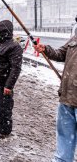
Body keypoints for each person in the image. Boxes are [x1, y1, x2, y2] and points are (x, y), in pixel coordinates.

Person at [34, 34, 77, 162]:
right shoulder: (75, 38)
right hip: (67, 97)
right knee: (64, 138)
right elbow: (60, 54)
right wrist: (46, 49)